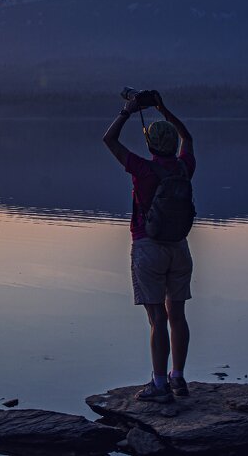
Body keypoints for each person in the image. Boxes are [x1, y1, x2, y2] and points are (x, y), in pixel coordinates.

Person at [102, 91, 195, 403]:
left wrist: (127, 111)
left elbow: (109, 139)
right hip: (179, 248)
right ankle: (178, 379)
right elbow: (188, 136)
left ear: (152, 144)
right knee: (177, 315)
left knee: (158, 319)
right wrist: (163, 108)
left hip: (148, 247)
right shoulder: (184, 167)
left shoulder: (142, 169)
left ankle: (159, 385)